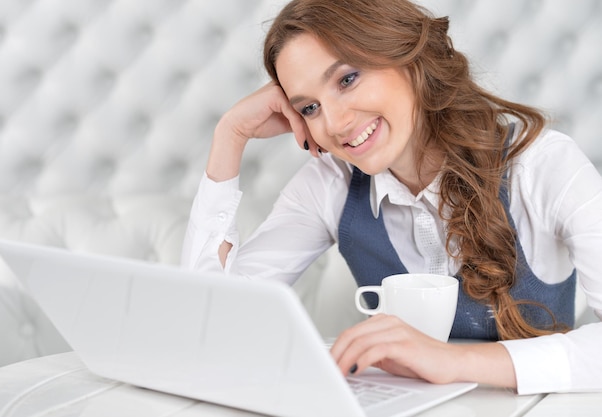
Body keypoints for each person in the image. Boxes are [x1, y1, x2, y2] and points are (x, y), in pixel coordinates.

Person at [181, 0, 602, 395]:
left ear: (405, 54)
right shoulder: (329, 183)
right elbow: (207, 328)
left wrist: (454, 362)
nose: (336, 124)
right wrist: (229, 136)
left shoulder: (543, 166)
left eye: (347, 79)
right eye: (309, 108)